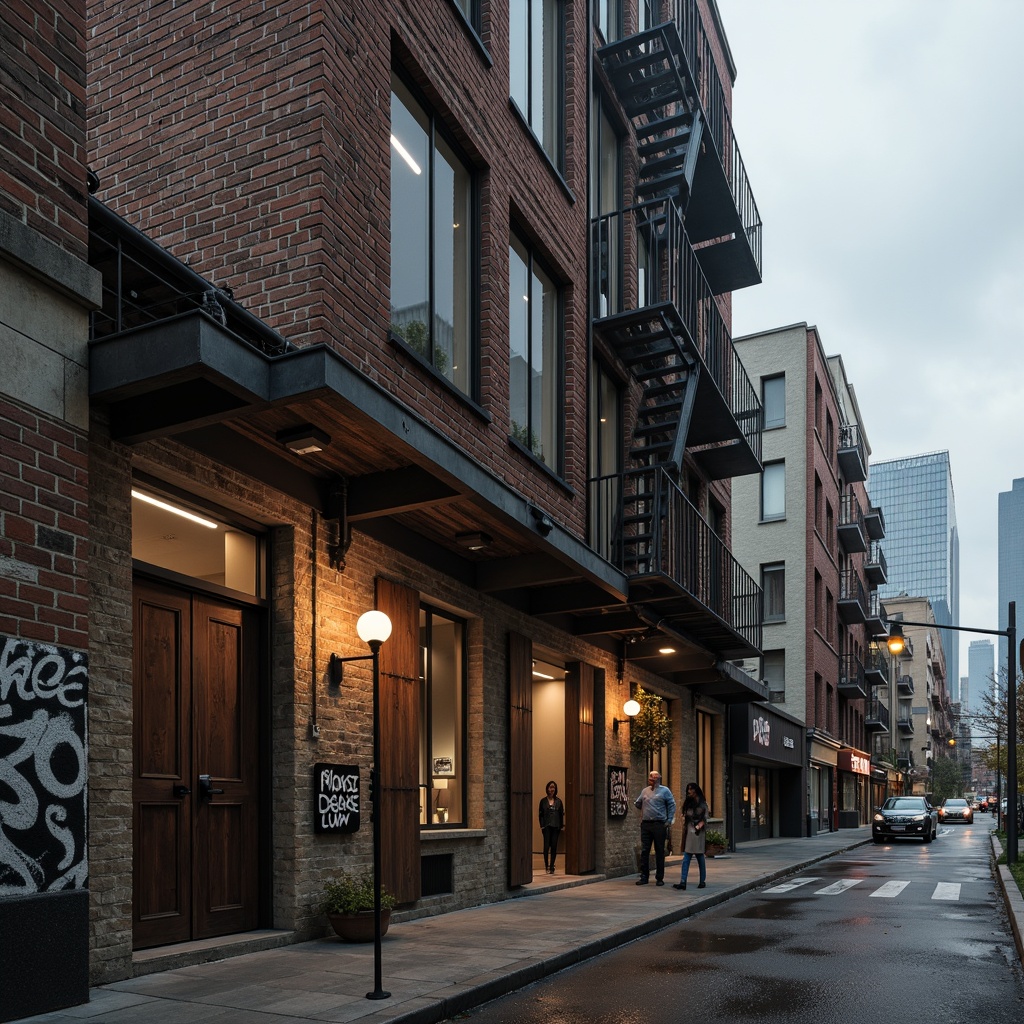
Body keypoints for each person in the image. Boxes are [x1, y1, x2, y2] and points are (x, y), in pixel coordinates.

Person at [634, 770, 676, 886]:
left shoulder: (665, 791)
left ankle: (659, 877)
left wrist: (669, 820)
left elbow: (672, 805)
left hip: (659, 824)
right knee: (645, 850)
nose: (650, 780)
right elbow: (638, 802)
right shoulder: (645, 791)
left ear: (658, 779)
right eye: (650, 778)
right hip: (646, 824)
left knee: (659, 851)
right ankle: (644, 876)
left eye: (652, 779)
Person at [673, 781, 708, 891]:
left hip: (698, 832)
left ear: (695, 790)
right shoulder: (688, 803)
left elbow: (705, 818)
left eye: (691, 789)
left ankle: (702, 880)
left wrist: (698, 827)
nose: (689, 792)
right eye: (688, 789)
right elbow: (684, 815)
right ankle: (683, 881)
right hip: (689, 830)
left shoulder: (702, 804)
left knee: (699, 856)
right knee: (687, 857)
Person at [538, 780, 565, 874]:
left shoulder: (559, 801)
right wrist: (541, 825)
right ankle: (546, 865)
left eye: (553, 787)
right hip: (546, 826)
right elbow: (540, 814)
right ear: (547, 788)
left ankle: (552, 865)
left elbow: (561, 814)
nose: (552, 789)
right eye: (550, 787)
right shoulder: (543, 801)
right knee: (546, 847)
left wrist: (561, 826)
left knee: (554, 846)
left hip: (556, 826)